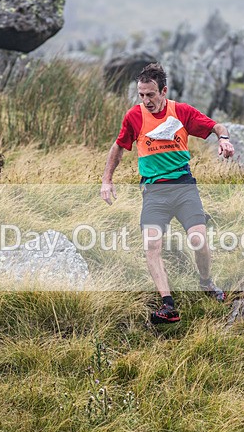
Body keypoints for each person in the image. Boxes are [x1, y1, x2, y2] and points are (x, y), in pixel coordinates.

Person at [100, 62, 235, 324]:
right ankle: (168, 305)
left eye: (150, 94)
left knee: (199, 241)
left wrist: (224, 139)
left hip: (184, 186)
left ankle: (206, 283)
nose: (145, 100)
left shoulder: (181, 112)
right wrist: (107, 179)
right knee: (152, 245)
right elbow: (119, 147)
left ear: (163, 91)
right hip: (154, 192)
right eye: (141, 95)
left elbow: (217, 127)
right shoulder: (134, 117)